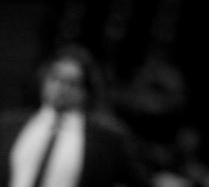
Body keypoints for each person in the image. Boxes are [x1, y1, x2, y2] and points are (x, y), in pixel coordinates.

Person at [0, 44, 151, 187]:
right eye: (56, 78)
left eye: (72, 83)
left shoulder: (107, 139)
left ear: (86, 91)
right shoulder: (8, 125)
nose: (61, 87)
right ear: (44, 80)